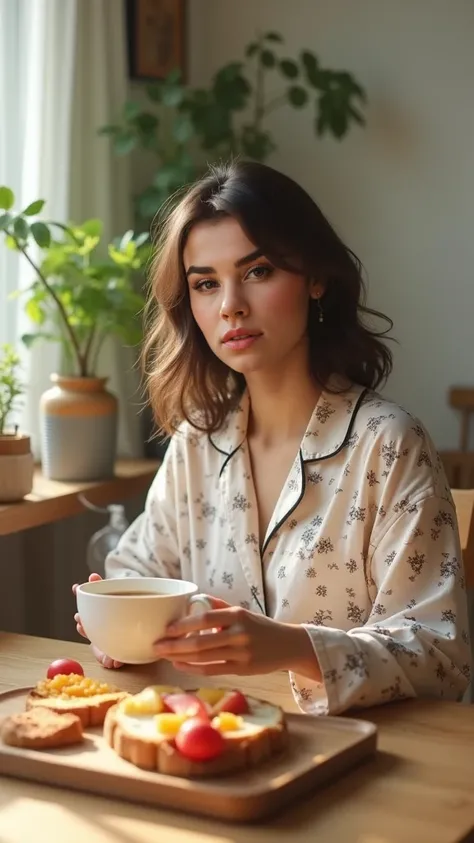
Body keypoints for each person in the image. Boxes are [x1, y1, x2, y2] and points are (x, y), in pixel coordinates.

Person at [73, 160, 471, 716]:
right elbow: (135, 572)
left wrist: (291, 647)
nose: (230, 304)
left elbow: (441, 657)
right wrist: (117, 624)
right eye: (205, 284)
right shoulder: (197, 442)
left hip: (359, 765)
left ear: (315, 277)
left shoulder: (389, 444)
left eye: (257, 272)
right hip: (214, 749)